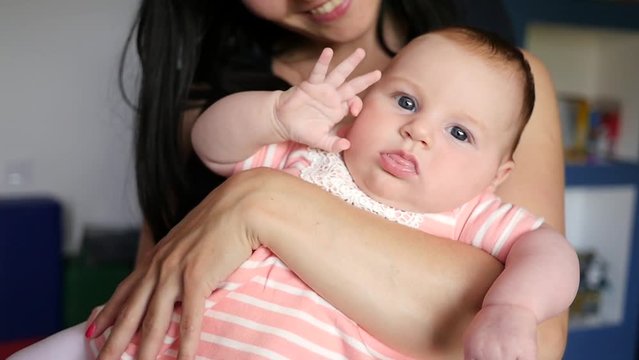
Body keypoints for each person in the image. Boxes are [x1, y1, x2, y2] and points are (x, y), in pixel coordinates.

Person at [9, 1, 569, 359]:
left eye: (460, 134)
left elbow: (548, 258)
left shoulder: (470, 208)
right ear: (362, 103)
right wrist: (277, 114)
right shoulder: (320, 146)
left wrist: (511, 309)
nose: (419, 130)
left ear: (498, 175)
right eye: (404, 102)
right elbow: (213, 142)